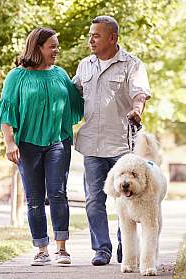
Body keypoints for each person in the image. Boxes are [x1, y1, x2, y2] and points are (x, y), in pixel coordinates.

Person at [0, 27, 83, 266]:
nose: (56, 50)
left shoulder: (60, 74)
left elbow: (79, 101)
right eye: (52, 46)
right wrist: (9, 142)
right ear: (38, 48)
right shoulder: (16, 76)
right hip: (27, 145)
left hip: (57, 142)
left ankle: (61, 248)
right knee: (34, 199)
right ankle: (42, 249)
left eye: (57, 46)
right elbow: (6, 111)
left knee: (58, 193)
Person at [73, 16, 151, 266]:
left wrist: (137, 110)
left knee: (125, 198)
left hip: (122, 145)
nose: (91, 39)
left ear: (113, 38)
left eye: (96, 35)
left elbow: (140, 93)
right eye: (90, 34)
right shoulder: (85, 65)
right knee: (94, 198)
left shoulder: (132, 64)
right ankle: (101, 249)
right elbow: (71, 94)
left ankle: (124, 246)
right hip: (92, 146)